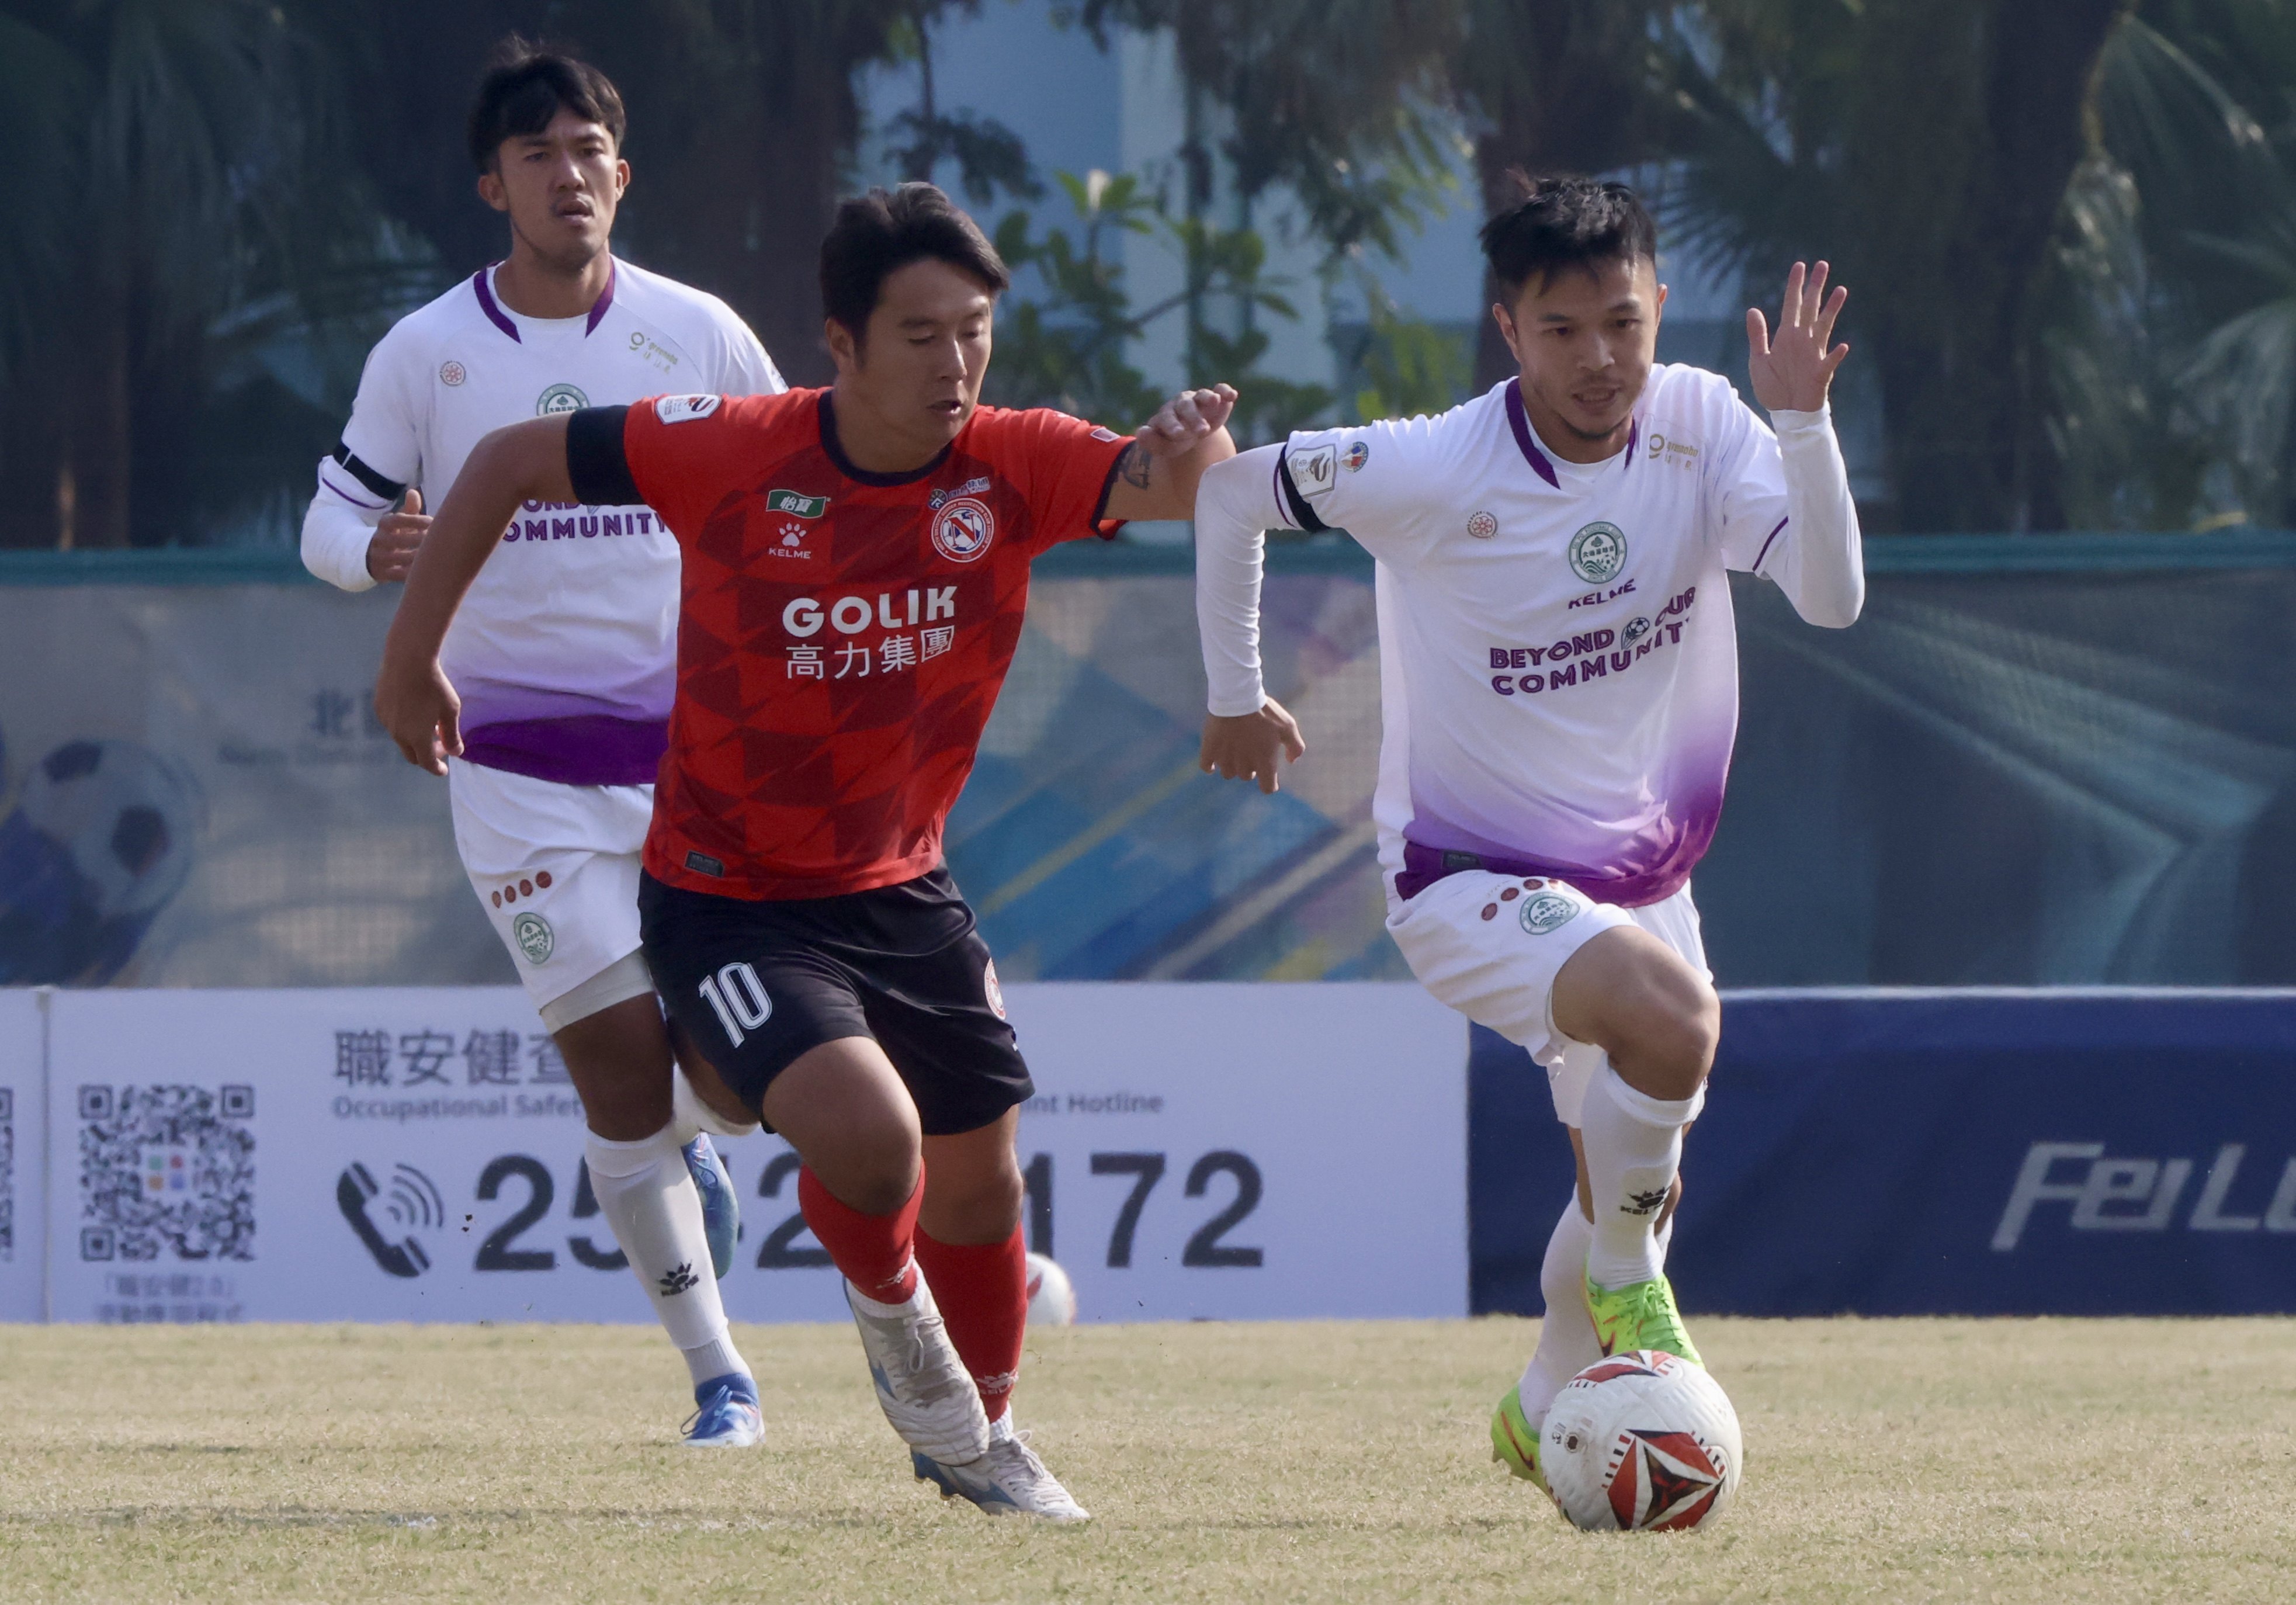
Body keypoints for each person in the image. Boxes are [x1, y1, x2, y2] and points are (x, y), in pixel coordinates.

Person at [371, 181, 1240, 1520]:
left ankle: (980, 1437)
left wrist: (1185, 449)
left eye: (975, 331)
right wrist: (412, 657)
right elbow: (500, 462)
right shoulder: (726, 444)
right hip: (728, 897)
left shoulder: (1012, 460)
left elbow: (1162, 485)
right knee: (873, 1138)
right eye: (921, 337)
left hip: (905, 886)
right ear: (838, 344)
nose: (956, 366)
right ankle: (924, 1381)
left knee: (981, 1169)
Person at [1190, 174, 1862, 1495]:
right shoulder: (1434, 465)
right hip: (1466, 876)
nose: (1602, 359)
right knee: (1670, 1037)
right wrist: (1233, 694)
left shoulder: (1703, 422)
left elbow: (1832, 600)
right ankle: (1623, 1295)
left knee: (1633, 1184)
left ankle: (1548, 1393)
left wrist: (1803, 426)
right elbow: (1228, 502)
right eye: (1564, 330)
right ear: (1510, 328)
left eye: (1623, 321)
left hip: (1645, 880)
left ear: (1661, 307)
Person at [301, 42, 786, 1447]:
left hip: (700, 762)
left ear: (621, 176)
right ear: (491, 186)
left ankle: (713, 1141)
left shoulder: (699, 331)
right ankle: (722, 1382)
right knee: (618, 1076)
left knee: (736, 1080)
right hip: (512, 774)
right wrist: (370, 555)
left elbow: (788, 481)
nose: (566, 178)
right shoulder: (428, 351)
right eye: (537, 157)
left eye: (588, 153)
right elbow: (327, 524)